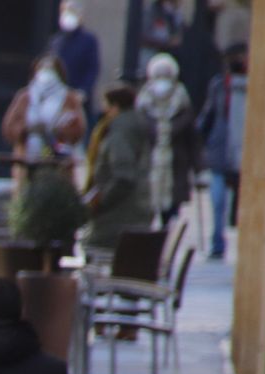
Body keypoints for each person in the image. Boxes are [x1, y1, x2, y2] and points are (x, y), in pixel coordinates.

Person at [84, 84, 154, 250]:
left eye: (106, 107)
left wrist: (100, 203)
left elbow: (123, 176)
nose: (104, 112)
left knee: (87, 246)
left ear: (115, 107)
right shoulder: (136, 125)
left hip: (117, 221)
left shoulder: (120, 132)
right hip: (137, 213)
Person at [198, 43, 249, 260]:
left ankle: (248, 247)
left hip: (247, 151)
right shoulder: (219, 85)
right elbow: (209, 114)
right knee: (218, 200)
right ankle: (217, 242)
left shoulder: (258, 85)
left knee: (245, 203)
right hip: (220, 148)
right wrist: (199, 139)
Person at [0, 55, 86, 179]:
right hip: (28, 158)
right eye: (43, 69)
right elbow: (9, 127)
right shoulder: (25, 97)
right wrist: (28, 129)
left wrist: (58, 129)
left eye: (51, 70)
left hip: (59, 160)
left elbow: (78, 130)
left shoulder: (69, 98)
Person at [138, 53, 196, 226]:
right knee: (146, 205)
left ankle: (165, 236)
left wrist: (199, 168)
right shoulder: (143, 103)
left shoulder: (182, 102)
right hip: (149, 164)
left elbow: (193, 139)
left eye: (166, 75)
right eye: (159, 75)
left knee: (170, 210)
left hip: (176, 165)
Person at [49, 1, 101, 128]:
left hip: (78, 96)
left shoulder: (89, 40)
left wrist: (83, 90)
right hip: (57, 96)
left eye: (72, 11)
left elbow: (92, 68)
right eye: (65, 11)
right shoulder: (57, 41)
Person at [140, 0, 186, 69]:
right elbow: (143, 36)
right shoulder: (151, 11)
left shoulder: (176, 15)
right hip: (152, 58)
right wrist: (167, 42)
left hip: (171, 59)